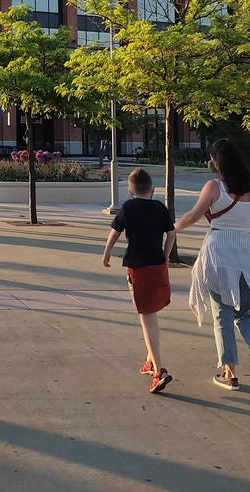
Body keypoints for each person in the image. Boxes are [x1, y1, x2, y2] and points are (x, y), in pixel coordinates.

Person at [176, 138, 250, 393]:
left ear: (216, 162)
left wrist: (174, 227)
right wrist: (242, 223)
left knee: (222, 315)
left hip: (218, 254)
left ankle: (229, 373)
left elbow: (194, 214)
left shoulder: (215, 186)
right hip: (247, 255)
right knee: (243, 313)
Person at [101, 168, 176, 394]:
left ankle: (158, 371)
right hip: (158, 267)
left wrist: (106, 253)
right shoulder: (160, 208)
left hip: (138, 268)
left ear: (130, 190)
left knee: (147, 318)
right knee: (153, 312)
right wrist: (165, 255)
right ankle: (149, 360)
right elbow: (172, 233)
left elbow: (114, 232)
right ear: (152, 190)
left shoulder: (128, 208)